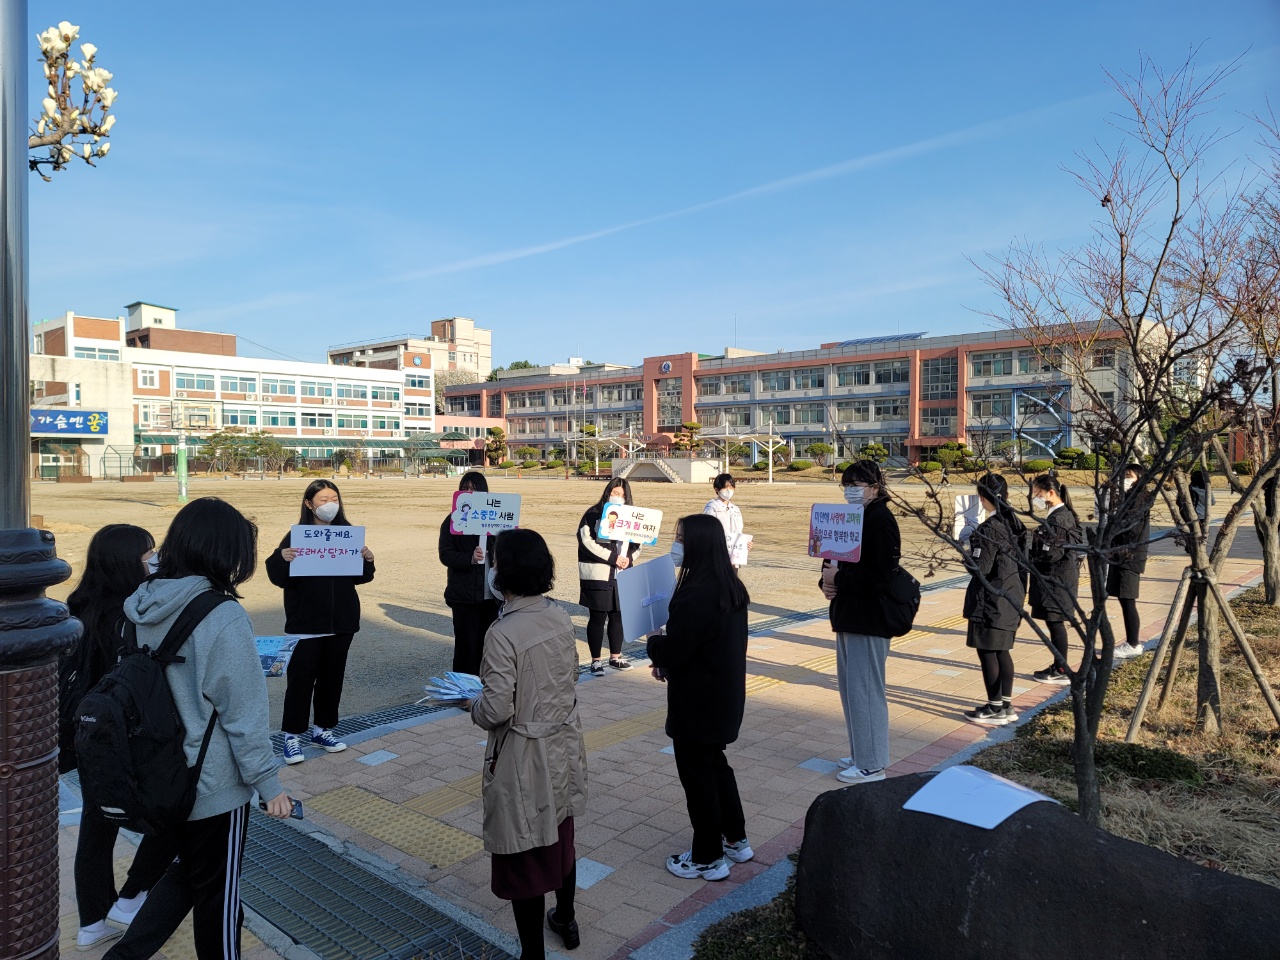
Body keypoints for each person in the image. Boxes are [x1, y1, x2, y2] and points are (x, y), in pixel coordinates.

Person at [104, 498, 291, 960]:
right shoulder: (220, 614)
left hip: (157, 774)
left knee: (187, 874)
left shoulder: (140, 603)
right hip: (211, 786)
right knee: (219, 899)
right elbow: (242, 715)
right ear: (225, 553)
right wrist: (269, 785)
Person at [467, 529, 587, 960]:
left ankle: (532, 953)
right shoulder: (558, 615)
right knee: (560, 835)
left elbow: (496, 708)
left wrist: (470, 703)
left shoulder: (503, 632)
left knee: (525, 852)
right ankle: (566, 917)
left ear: (505, 571)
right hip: (563, 742)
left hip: (523, 755)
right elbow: (571, 674)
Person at [64, 524, 178, 949]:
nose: (154, 557)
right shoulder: (133, 616)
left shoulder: (79, 612)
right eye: (148, 552)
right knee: (172, 812)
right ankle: (131, 897)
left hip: (91, 737)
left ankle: (93, 922)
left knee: (98, 825)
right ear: (127, 561)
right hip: (133, 740)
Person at [648, 515, 752, 881]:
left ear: (697, 545)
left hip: (697, 702)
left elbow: (676, 650)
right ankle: (735, 838)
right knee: (716, 766)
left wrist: (655, 645)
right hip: (724, 697)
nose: (677, 543)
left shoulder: (695, 593)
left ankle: (707, 857)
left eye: (680, 538)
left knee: (698, 777)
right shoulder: (730, 587)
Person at [265, 480, 376, 765]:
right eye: (324, 498)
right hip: (306, 622)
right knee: (300, 681)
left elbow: (361, 577)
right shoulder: (297, 536)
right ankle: (291, 736)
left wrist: (368, 560)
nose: (330, 503)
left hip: (342, 621)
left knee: (331, 679)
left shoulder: (348, 534)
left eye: (335, 498)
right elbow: (279, 577)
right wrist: (282, 558)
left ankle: (322, 730)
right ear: (309, 503)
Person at [820, 460, 900, 784]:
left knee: (865, 691)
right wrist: (826, 581)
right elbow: (832, 560)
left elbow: (880, 577)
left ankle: (872, 764)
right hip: (848, 613)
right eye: (847, 485)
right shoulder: (853, 518)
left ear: (875, 487)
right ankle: (860, 753)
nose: (851, 490)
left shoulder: (880, 519)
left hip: (869, 618)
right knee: (852, 690)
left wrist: (839, 578)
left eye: (857, 484)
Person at [961, 475, 1028, 725]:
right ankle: (1005, 705)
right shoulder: (1014, 522)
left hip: (991, 599)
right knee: (1002, 651)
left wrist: (966, 552)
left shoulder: (989, 529)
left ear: (981, 498)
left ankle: (994, 707)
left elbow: (982, 567)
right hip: (1012, 594)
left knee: (988, 652)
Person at [438, 471, 500, 675]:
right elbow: (446, 554)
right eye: (465, 488)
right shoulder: (452, 520)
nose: (469, 492)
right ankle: (463, 693)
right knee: (466, 647)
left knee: (488, 646)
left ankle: (484, 691)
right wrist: (470, 558)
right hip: (463, 596)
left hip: (492, 597)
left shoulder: (496, 518)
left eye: (473, 488)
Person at [577, 478, 641, 674]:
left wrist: (628, 558)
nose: (618, 497)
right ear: (607, 492)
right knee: (597, 617)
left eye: (622, 495)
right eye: (615, 493)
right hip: (599, 573)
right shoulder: (593, 514)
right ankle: (596, 661)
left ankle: (616, 656)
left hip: (622, 573)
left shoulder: (631, 516)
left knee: (618, 616)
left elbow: (639, 543)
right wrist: (613, 558)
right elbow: (585, 541)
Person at [1029, 474, 1083, 686]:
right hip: (1058, 578)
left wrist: (1032, 554)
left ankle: (1061, 668)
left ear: (1050, 493)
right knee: (1054, 623)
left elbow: (1052, 552)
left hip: (1057, 579)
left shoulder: (1059, 518)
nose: (1035, 497)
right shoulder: (1059, 514)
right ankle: (1059, 665)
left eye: (1037, 493)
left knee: (1055, 623)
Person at [1107, 464, 1152, 660]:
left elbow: (1132, 530)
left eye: (1128, 475)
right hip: (1121, 554)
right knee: (1123, 599)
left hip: (1129, 556)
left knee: (1128, 600)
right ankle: (1130, 641)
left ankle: (1133, 643)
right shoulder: (1127, 498)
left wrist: (1114, 531)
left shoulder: (1138, 500)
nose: (1124, 478)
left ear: (1139, 479)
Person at [703, 473, 750, 567]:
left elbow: (739, 532)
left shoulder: (735, 509)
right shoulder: (712, 508)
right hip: (717, 556)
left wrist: (745, 544)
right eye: (725, 488)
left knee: (733, 579)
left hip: (734, 556)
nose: (729, 490)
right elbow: (707, 533)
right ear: (717, 489)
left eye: (731, 487)